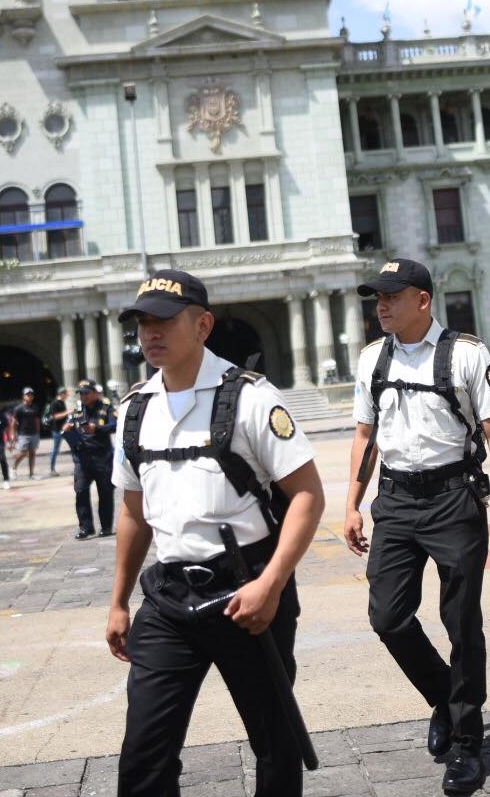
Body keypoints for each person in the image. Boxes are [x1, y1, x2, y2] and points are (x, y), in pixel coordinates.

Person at [106, 269, 325, 796]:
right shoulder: (134, 410)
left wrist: (270, 584)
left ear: (202, 325)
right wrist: (117, 602)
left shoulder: (251, 399)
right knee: (144, 754)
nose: (150, 334)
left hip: (249, 591)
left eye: (163, 321)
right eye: (141, 324)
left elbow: (307, 496)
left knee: (275, 743)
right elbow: (133, 514)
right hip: (168, 599)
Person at [343, 258, 490, 796]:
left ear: (422, 300)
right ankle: (445, 698)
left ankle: (468, 742)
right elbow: (365, 435)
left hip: (453, 498)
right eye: (376, 297)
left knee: (461, 622)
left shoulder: (466, 354)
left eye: (391, 296)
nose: (381, 305)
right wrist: (351, 504)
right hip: (395, 499)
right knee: (388, 617)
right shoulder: (372, 359)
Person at [70, 379, 116, 539]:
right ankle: (86, 527)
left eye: (86, 393)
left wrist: (97, 428)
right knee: (81, 491)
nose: (83, 396)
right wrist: (67, 429)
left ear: (95, 393)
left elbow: (115, 425)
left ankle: (106, 526)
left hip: (102, 456)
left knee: (105, 492)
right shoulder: (77, 410)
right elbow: (70, 425)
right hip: (82, 457)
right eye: (81, 393)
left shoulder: (106, 407)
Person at [9, 387, 43, 480]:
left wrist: (38, 432)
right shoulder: (19, 408)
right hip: (23, 434)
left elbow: (37, 420)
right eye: (27, 395)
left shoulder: (35, 407)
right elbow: (13, 422)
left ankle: (31, 474)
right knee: (23, 453)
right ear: (23, 396)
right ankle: (13, 468)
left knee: (32, 453)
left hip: (34, 433)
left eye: (31, 394)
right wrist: (12, 434)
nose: (29, 396)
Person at [46, 387, 72, 477]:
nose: (67, 396)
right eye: (66, 394)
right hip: (57, 430)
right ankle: (52, 469)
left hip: (64, 429)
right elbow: (55, 416)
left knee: (74, 446)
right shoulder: (54, 403)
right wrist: (67, 412)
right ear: (61, 394)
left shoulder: (62, 402)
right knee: (55, 450)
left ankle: (77, 466)